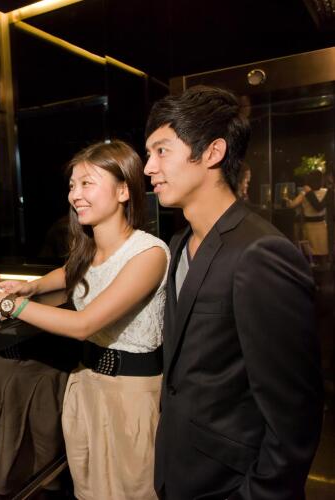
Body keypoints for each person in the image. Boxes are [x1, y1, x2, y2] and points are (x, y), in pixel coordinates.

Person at [144, 85, 323, 499]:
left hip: (230, 484)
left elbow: (295, 417)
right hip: (181, 469)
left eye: (162, 151)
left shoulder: (261, 252)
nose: (149, 167)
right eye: (149, 153)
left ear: (213, 152)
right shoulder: (179, 243)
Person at [0, 140, 169, 500]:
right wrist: (26, 287)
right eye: (72, 185)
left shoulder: (149, 253)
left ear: (124, 191)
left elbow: (84, 325)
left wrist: (6, 304)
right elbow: (64, 276)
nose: (75, 195)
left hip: (130, 396)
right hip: (85, 386)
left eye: (87, 183)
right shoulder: (89, 251)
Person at [285, 169, 330, 267]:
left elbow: (292, 205)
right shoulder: (326, 192)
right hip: (321, 226)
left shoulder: (304, 192)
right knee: (323, 254)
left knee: (311, 257)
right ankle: (324, 272)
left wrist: (287, 200)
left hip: (309, 227)